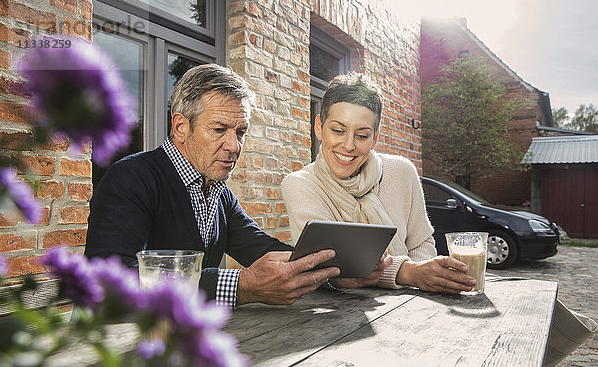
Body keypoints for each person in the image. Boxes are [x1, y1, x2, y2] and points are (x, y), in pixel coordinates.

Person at [85, 64, 340, 308]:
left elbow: (261, 248)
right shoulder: (131, 178)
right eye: (219, 129)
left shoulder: (220, 194)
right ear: (180, 127)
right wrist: (240, 286)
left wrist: (336, 270)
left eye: (241, 132)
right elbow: (108, 281)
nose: (234, 146)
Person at [281, 72, 476, 294]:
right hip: (337, 316)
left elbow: (422, 244)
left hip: (414, 303)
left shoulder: (402, 171)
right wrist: (411, 273)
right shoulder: (299, 185)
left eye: (362, 136)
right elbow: (334, 264)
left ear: (375, 137)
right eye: (337, 130)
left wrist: (424, 281)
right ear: (319, 127)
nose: (348, 145)